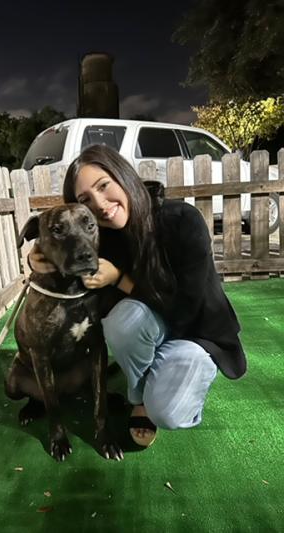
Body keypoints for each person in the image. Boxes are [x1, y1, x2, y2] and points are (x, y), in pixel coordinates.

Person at [28, 144, 247, 447]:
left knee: (170, 414)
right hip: (152, 325)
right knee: (121, 321)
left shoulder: (183, 219)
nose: (101, 204)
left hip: (197, 332)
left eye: (104, 186)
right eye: (86, 200)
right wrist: (37, 259)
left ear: (124, 176)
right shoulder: (101, 236)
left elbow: (186, 310)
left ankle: (175, 372)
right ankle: (140, 396)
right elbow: (60, 249)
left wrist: (120, 279)